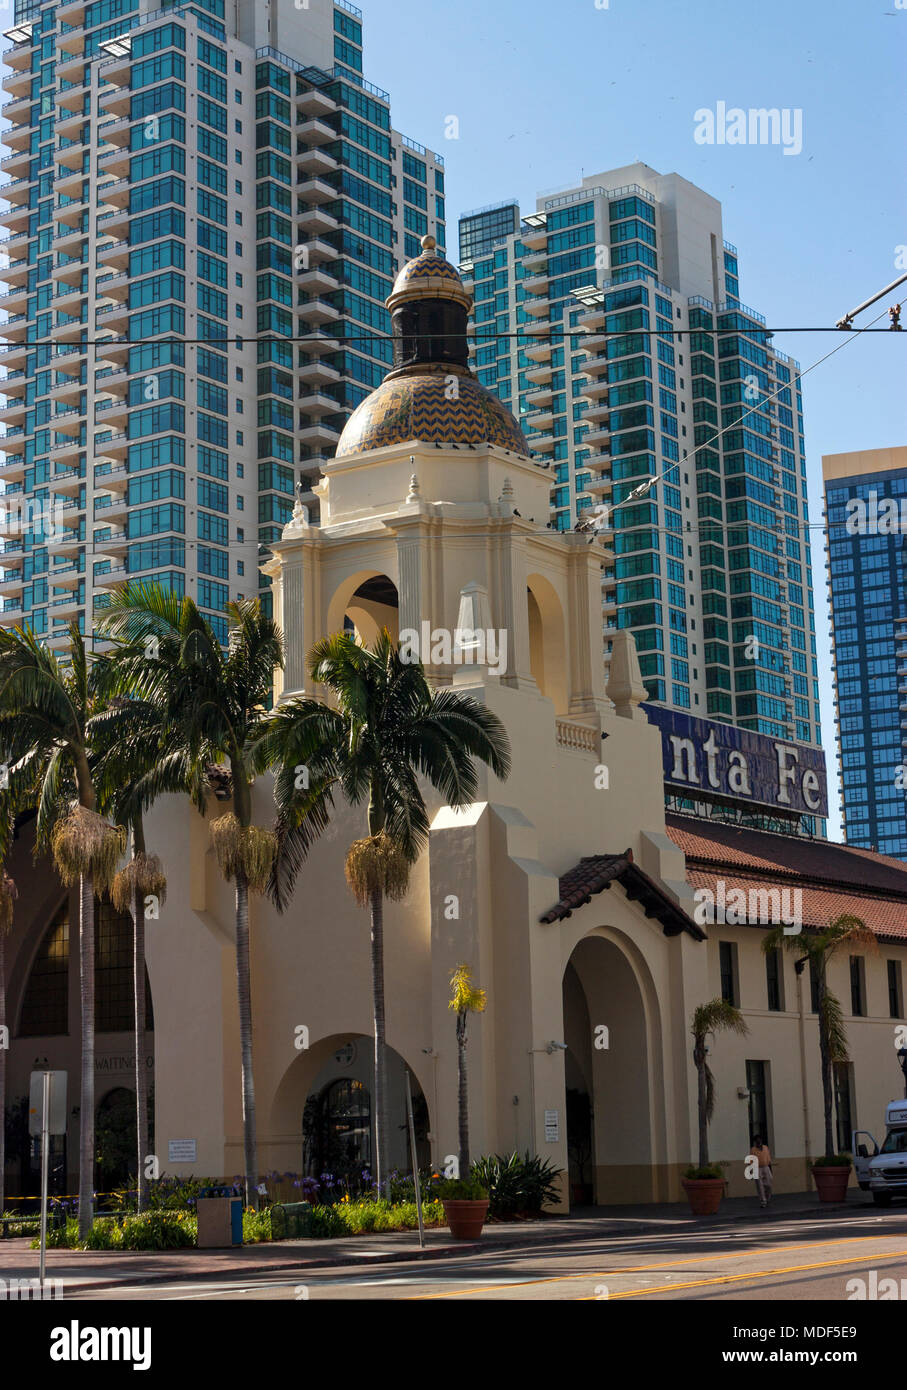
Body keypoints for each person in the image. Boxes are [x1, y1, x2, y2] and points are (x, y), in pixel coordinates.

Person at [750, 1134, 773, 1208]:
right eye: (757, 1140)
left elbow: (769, 1159)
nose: (758, 1141)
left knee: (768, 1185)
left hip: (766, 1167)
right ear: (755, 1142)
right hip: (757, 1168)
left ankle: (767, 1198)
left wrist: (770, 1169)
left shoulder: (766, 1148)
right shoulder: (753, 1150)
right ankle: (763, 1201)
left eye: (759, 1139)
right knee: (760, 1186)